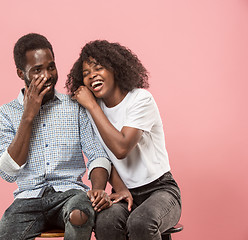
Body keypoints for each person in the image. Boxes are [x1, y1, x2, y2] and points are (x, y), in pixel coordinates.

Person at [0, 33, 112, 240]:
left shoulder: (74, 106)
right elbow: (8, 173)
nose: (47, 75)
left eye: (51, 67)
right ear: (21, 73)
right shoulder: (6, 113)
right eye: (37, 70)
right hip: (27, 199)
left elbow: (97, 155)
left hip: (70, 195)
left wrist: (98, 189)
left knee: (81, 213)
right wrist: (28, 116)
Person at [66, 40, 182, 240]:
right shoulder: (94, 109)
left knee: (141, 223)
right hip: (126, 192)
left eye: (98, 68)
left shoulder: (141, 100)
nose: (92, 75)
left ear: (115, 69)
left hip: (160, 190)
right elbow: (104, 156)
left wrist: (92, 107)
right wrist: (120, 188)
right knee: (105, 223)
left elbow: (121, 148)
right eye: (85, 73)